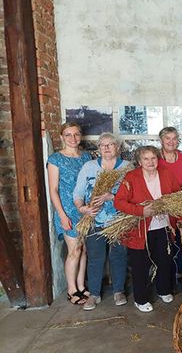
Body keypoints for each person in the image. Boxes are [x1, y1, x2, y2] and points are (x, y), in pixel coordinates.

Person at [114, 146, 182, 312]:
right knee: (140, 265)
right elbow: (119, 202)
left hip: (164, 226)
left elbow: (179, 196)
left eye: (153, 158)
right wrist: (141, 211)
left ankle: (164, 290)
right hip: (140, 230)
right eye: (146, 159)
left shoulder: (166, 174)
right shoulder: (131, 177)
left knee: (164, 261)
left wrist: (180, 218)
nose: (150, 162)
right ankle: (141, 299)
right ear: (139, 162)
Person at [73, 133, 131, 311]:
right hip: (94, 221)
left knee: (119, 256)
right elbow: (78, 193)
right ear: (98, 149)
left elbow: (133, 194)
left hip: (119, 221)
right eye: (102, 145)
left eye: (110, 145)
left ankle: (118, 291)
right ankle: (95, 294)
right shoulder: (89, 167)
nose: (106, 148)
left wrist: (111, 196)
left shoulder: (128, 167)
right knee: (96, 258)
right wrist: (83, 209)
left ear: (118, 148)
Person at [46, 122, 92, 305]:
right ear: (61, 137)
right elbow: (53, 190)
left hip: (85, 209)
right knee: (74, 250)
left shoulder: (86, 157)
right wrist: (63, 216)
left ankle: (81, 285)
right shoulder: (55, 159)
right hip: (67, 210)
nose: (73, 138)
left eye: (76, 134)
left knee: (84, 250)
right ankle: (71, 289)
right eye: (68, 135)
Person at [158, 126, 182, 284]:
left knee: (180, 240)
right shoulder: (154, 159)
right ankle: (165, 277)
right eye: (167, 138)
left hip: (180, 207)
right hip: (160, 207)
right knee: (163, 244)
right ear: (161, 140)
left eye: (174, 138)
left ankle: (179, 275)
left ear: (178, 141)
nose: (171, 141)